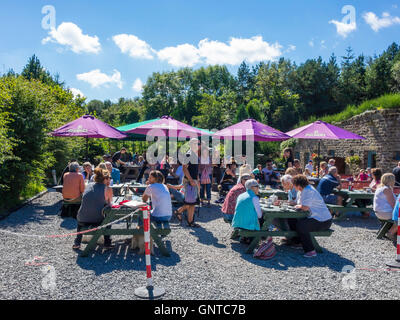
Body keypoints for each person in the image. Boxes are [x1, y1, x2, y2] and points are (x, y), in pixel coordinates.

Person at [287, 175, 332, 258]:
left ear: (298, 185)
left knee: (302, 226)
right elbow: (298, 203)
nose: (293, 186)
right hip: (315, 217)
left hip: (323, 220)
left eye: (294, 184)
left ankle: (310, 251)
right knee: (292, 219)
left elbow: (305, 207)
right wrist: (291, 203)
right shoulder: (302, 190)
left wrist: (298, 206)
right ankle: (297, 242)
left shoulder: (308, 190)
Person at [73, 168, 114, 250]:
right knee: (108, 218)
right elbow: (110, 204)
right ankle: (107, 242)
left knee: (83, 214)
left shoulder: (88, 185)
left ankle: (77, 242)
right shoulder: (108, 189)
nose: (110, 179)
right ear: (106, 179)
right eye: (110, 178)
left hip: (81, 219)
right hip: (97, 220)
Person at [178, 138, 201, 228]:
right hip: (189, 181)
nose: (198, 145)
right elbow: (184, 168)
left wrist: (197, 180)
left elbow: (194, 169)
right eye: (196, 143)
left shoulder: (194, 154)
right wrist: (191, 180)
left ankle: (190, 221)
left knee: (192, 203)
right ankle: (180, 213)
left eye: (198, 144)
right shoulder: (189, 154)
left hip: (193, 181)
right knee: (190, 203)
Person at [374, 173, 397, 240]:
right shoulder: (387, 189)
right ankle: (391, 233)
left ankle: (392, 232)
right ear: (391, 180)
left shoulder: (380, 188)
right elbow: (393, 205)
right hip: (385, 213)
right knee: (398, 217)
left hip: (379, 212)